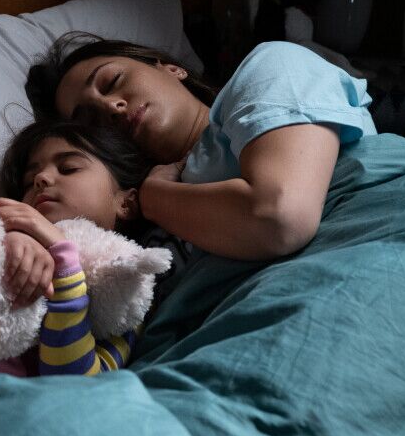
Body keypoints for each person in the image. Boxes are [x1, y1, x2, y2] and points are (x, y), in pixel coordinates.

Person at [24, 33, 377, 263]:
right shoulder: (140, 235)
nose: (112, 107)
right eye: (91, 122)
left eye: (112, 81)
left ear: (171, 68)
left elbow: (280, 218)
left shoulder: (270, 68)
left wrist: (155, 195)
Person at [0, 119, 152, 377]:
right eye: (29, 182)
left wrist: (64, 261)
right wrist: (10, 235)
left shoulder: (126, 288)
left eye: (68, 168)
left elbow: (79, 382)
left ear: (125, 204)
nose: (41, 178)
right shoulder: (3, 234)